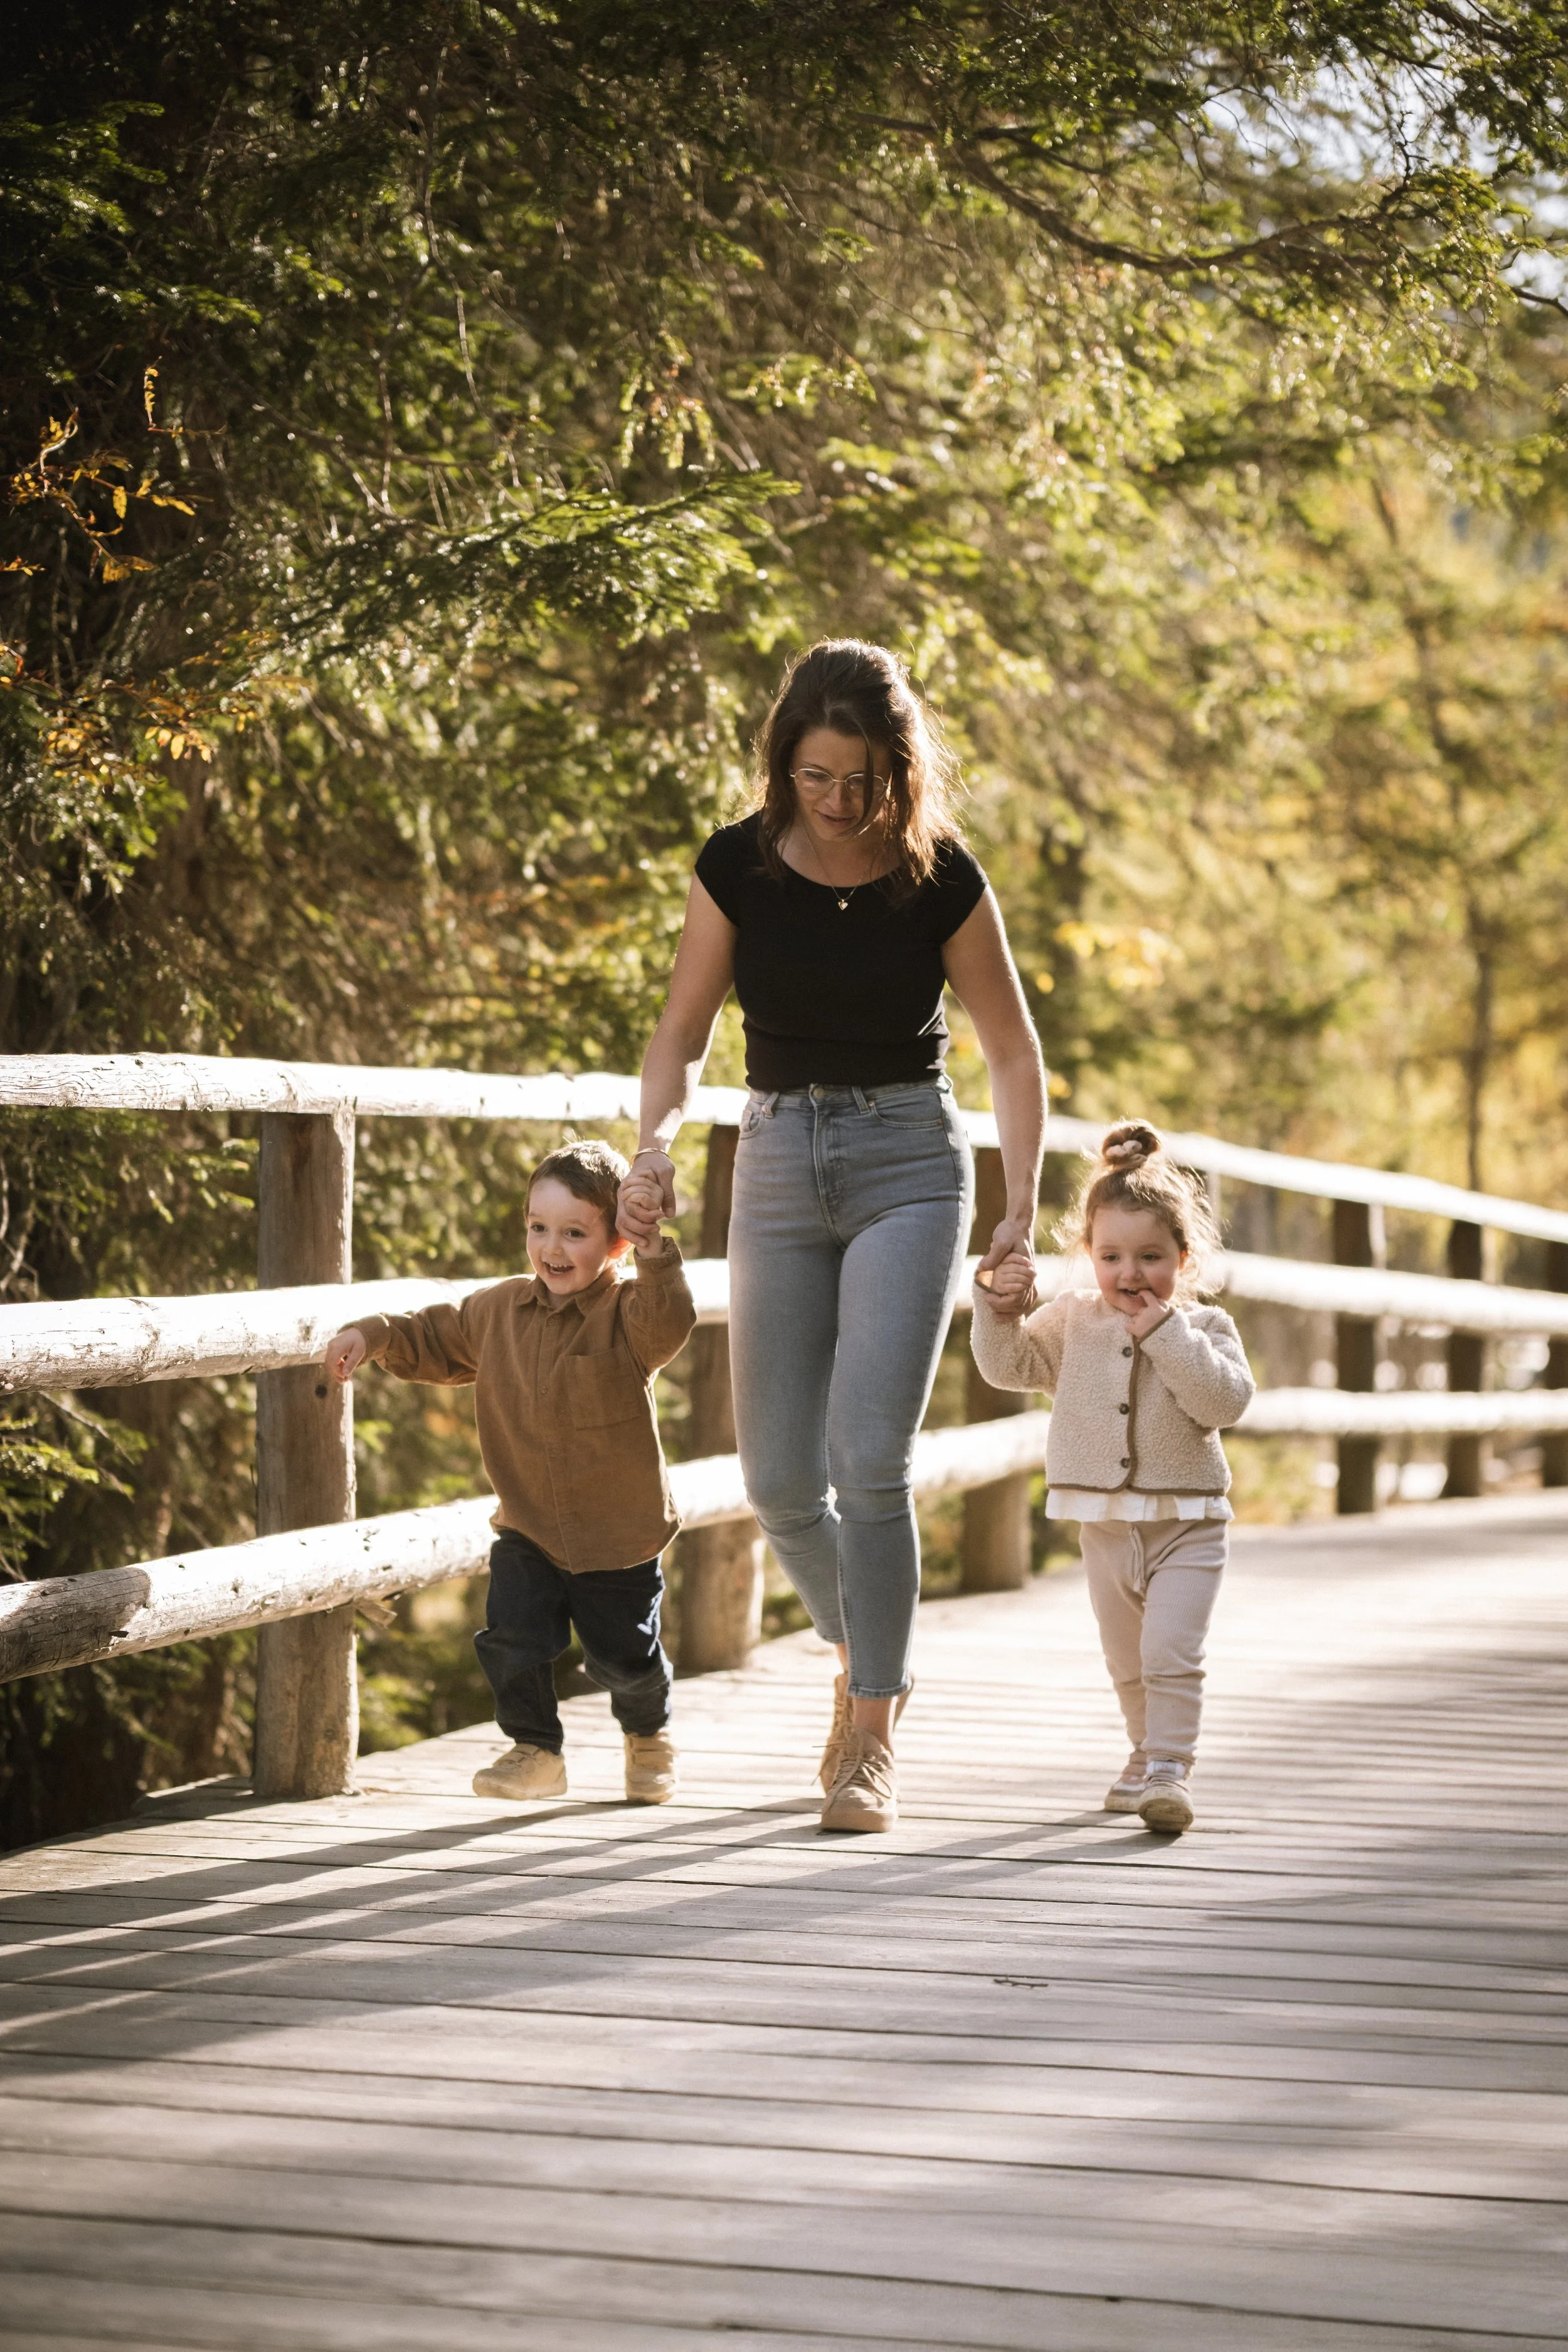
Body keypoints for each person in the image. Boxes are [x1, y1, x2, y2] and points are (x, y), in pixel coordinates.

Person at [617, 638, 1046, 1835]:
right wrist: (652, 1143)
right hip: (776, 1166)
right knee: (776, 1480)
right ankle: (877, 1645)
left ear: (897, 770)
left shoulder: (941, 876)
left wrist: (1019, 1207)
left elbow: (1011, 1049)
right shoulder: (738, 868)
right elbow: (680, 1035)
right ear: (783, 764)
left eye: (860, 779)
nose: (841, 800)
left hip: (911, 1162)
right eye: (817, 777)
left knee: (870, 1461)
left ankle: (868, 1737)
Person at [323, 1140, 695, 1805]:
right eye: (538, 1227)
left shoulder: (628, 1315)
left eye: (575, 1233)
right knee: (513, 1637)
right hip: (527, 1524)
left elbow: (670, 1321)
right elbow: (431, 1338)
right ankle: (535, 1751)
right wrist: (374, 1335)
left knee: (622, 1661)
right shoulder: (497, 1312)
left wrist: (656, 1252)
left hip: (618, 1537)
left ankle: (648, 1731)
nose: (552, 1247)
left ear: (614, 1244)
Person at [973, 1120, 1255, 1832]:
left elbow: (1223, 1401)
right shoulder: (1072, 1321)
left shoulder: (1206, 1329)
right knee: (1125, 1658)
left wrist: (1164, 1333)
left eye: (1151, 1257)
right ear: (1088, 1255)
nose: (1130, 1274)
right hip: (1103, 1524)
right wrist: (997, 1308)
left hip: (1186, 1524)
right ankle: (1141, 1753)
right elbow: (1009, 1367)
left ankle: (1170, 1767)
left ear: (1184, 1260)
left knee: (1169, 1650)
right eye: (1112, 1256)